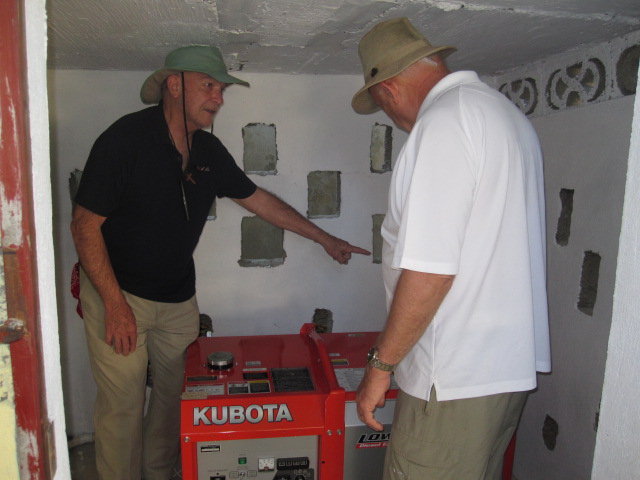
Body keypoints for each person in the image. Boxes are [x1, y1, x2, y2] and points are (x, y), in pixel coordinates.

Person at [70, 45, 370, 480]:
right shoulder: (124, 140)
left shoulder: (208, 150)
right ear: (174, 85)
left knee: (173, 400)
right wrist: (114, 306)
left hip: (177, 299)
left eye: (222, 89)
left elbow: (259, 201)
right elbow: (84, 227)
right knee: (123, 406)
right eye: (209, 86)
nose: (219, 98)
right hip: (118, 293)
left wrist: (325, 238)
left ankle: (159, 474)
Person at [352, 18, 551, 479]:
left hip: (452, 376)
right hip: (500, 370)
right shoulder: (503, 114)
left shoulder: (443, 123)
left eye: (382, 106)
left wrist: (379, 367)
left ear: (387, 90)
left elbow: (431, 271)